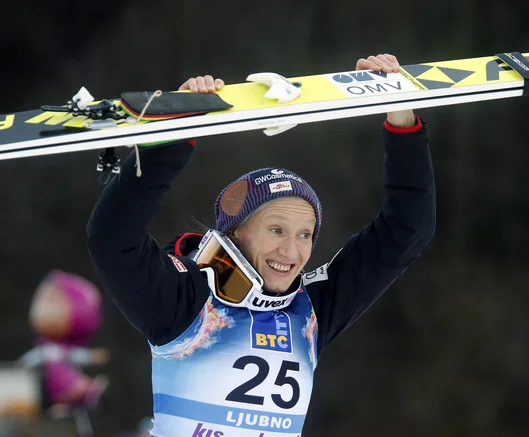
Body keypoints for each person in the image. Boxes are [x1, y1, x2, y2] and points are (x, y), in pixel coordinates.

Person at [86, 53, 436, 437]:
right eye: (276, 230)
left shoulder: (312, 309)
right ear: (236, 232)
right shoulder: (186, 298)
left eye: (305, 235)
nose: (291, 252)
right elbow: (112, 237)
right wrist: (173, 135)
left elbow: (406, 231)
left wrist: (399, 111)